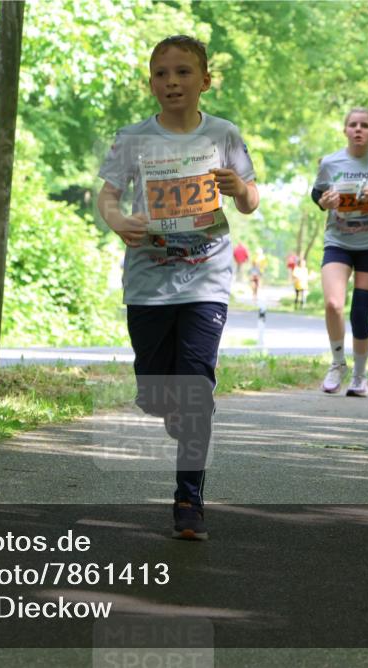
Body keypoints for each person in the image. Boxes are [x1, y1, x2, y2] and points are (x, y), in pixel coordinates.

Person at [97, 35, 258, 540]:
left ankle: (189, 500)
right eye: (162, 73)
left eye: (184, 72)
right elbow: (107, 195)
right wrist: (119, 220)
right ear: (151, 83)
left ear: (205, 81)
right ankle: (168, 406)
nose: (173, 82)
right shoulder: (133, 138)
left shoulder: (224, 134)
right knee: (155, 392)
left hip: (206, 278)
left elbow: (251, 200)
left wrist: (239, 190)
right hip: (148, 283)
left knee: (194, 386)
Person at [311, 107, 368, 397]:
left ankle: (361, 375)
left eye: (365, 125)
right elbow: (317, 193)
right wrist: (324, 202)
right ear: (345, 130)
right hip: (338, 240)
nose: (358, 129)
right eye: (353, 125)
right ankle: (338, 363)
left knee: (360, 315)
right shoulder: (331, 162)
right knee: (333, 305)